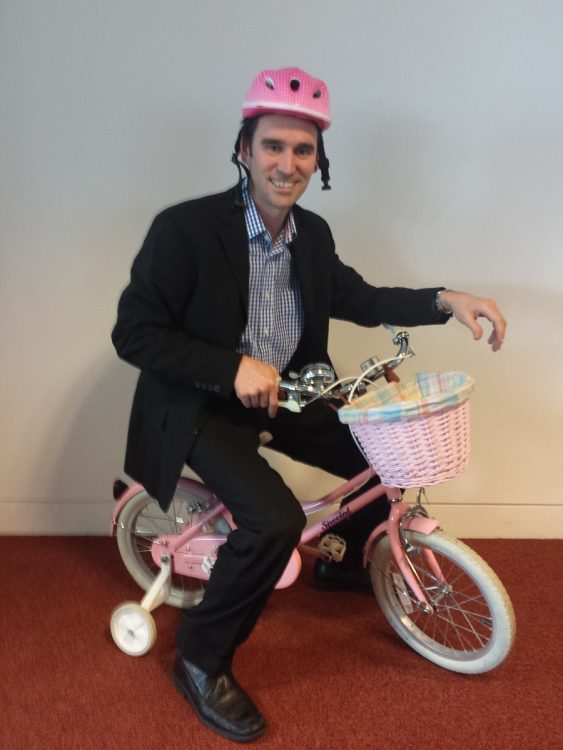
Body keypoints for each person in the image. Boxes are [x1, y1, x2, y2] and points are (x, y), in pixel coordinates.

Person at [112, 67, 506, 743]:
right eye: (273, 145)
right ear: (244, 149)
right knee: (273, 521)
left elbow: (361, 298)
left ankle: (344, 561)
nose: (287, 163)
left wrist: (445, 300)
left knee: (377, 452)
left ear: (318, 160)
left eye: (303, 150)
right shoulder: (184, 230)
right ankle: (200, 659)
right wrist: (230, 368)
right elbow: (135, 333)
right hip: (200, 405)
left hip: (289, 395)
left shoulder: (312, 235)